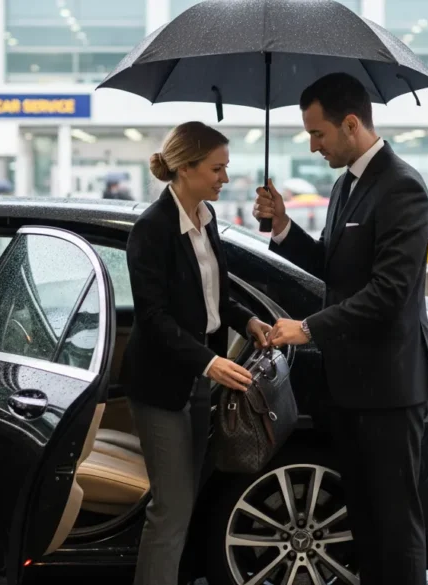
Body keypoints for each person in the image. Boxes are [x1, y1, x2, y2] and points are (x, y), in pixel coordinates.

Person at [253, 72, 428, 585]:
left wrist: (306, 329)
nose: (313, 146)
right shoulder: (345, 185)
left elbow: (388, 294)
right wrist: (284, 227)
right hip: (350, 385)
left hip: (391, 388)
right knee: (364, 518)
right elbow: (334, 269)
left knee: (395, 524)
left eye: (318, 134)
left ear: (351, 124)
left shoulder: (402, 187)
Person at [123, 121, 273, 585]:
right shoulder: (152, 230)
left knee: (186, 500)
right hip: (162, 384)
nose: (224, 178)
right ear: (185, 168)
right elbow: (154, 318)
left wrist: (247, 319)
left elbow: (216, 297)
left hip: (197, 382)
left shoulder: (206, 221)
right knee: (170, 507)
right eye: (217, 168)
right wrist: (209, 361)